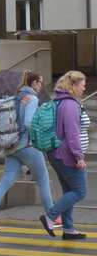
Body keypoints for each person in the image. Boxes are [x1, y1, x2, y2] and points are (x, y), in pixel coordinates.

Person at [0, 71, 54, 230]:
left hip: (11, 146)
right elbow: (28, 123)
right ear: (34, 83)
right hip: (27, 146)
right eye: (40, 82)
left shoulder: (16, 97)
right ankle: (52, 218)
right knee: (43, 181)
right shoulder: (33, 98)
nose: (41, 86)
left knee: (6, 180)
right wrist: (40, 130)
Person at [40, 70, 89, 240]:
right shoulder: (69, 105)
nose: (85, 88)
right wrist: (79, 157)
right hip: (66, 155)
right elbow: (72, 134)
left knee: (69, 190)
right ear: (74, 85)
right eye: (82, 85)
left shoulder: (60, 101)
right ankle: (50, 216)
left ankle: (68, 229)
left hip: (57, 154)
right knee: (80, 191)